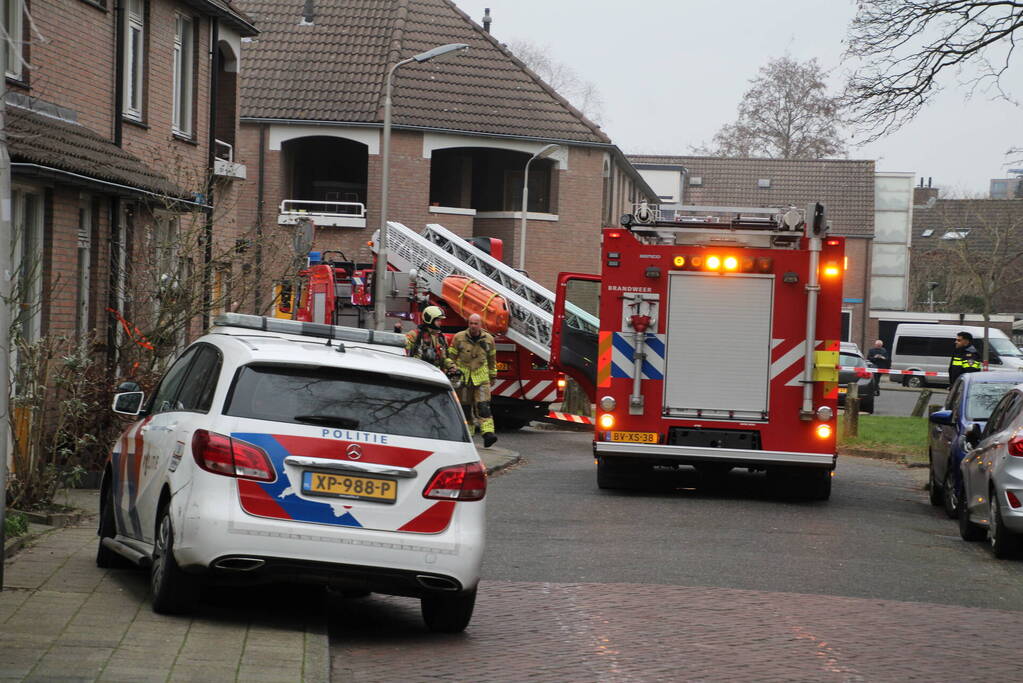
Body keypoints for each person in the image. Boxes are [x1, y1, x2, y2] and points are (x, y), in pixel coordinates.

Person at [449, 313, 498, 448]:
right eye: (471, 323)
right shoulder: (459, 337)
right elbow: (451, 356)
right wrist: (452, 369)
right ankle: (468, 434)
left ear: (480, 325)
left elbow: (492, 359)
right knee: (465, 407)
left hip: (481, 377)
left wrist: (492, 375)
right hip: (464, 378)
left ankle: (488, 434)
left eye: (476, 324)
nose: (473, 326)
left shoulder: (488, 339)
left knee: (483, 406)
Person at [405, 306, 455, 374]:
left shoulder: (441, 338)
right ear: (429, 320)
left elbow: (444, 358)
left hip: (436, 375)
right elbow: (405, 354)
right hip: (417, 372)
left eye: (440, 320)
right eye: (438, 320)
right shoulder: (414, 335)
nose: (440, 323)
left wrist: (451, 366)